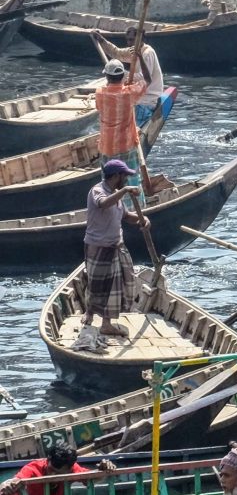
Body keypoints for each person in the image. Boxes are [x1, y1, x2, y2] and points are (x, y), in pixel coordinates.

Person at [78, 161, 146, 342]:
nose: (126, 179)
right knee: (96, 284)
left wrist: (142, 219)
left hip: (116, 246)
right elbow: (102, 204)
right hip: (98, 246)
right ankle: (91, 313)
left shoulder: (117, 196)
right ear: (116, 176)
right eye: (125, 176)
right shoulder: (97, 191)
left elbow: (126, 217)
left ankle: (106, 323)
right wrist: (125, 191)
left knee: (121, 284)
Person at [0, 439, 79, 495]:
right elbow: (16, 479)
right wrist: (6, 485)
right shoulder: (33, 469)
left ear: (69, 470)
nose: (52, 475)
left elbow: (93, 477)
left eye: (59, 473)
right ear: (47, 460)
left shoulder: (74, 470)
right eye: (51, 469)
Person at [94, 61, 145, 190]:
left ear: (106, 77)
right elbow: (147, 80)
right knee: (131, 179)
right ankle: (134, 205)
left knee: (109, 182)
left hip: (106, 146)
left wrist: (124, 85)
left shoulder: (99, 93)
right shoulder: (129, 93)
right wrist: (140, 58)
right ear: (123, 76)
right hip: (126, 145)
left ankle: (112, 205)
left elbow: (100, 106)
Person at [116, 28, 168, 126]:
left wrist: (121, 75)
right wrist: (102, 41)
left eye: (131, 40)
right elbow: (117, 52)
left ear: (140, 39)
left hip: (148, 96)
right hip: (140, 92)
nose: (128, 43)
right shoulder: (132, 50)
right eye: (127, 40)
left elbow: (145, 78)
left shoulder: (147, 53)